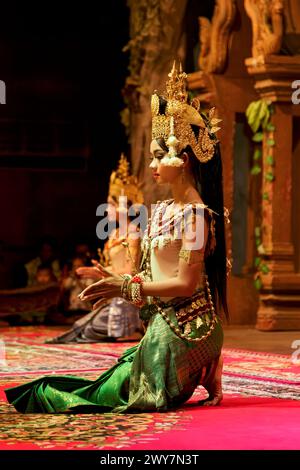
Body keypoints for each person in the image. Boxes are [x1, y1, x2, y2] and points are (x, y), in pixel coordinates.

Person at [5, 63, 228, 413]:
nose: (152, 164)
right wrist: (115, 279)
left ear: (183, 160)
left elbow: (185, 285)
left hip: (188, 328)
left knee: (113, 397)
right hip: (165, 324)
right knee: (101, 386)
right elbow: (155, 279)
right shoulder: (163, 208)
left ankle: (200, 364)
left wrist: (125, 286)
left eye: (159, 156)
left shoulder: (196, 216)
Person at [46, 154, 144, 343]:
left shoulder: (133, 234)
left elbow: (130, 273)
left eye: (112, 204)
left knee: (89, 330)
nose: (107, 209)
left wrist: (102, 273)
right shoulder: (114, 233)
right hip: (112, 295)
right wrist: (99, 273)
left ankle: (134, 328)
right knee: (79, 327)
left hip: (124, 296)